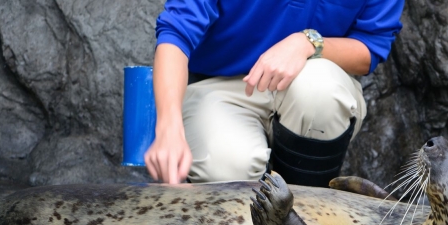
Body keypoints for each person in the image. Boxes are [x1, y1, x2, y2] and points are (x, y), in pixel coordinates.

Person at [145, 0, 405, 185]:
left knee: (322, 92)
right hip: (221, 86)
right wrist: (169, 126)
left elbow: (371, 47)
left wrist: (307, 43)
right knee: (227, 167)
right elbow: (176, 32)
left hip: (313, 76)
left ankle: (307, 217)